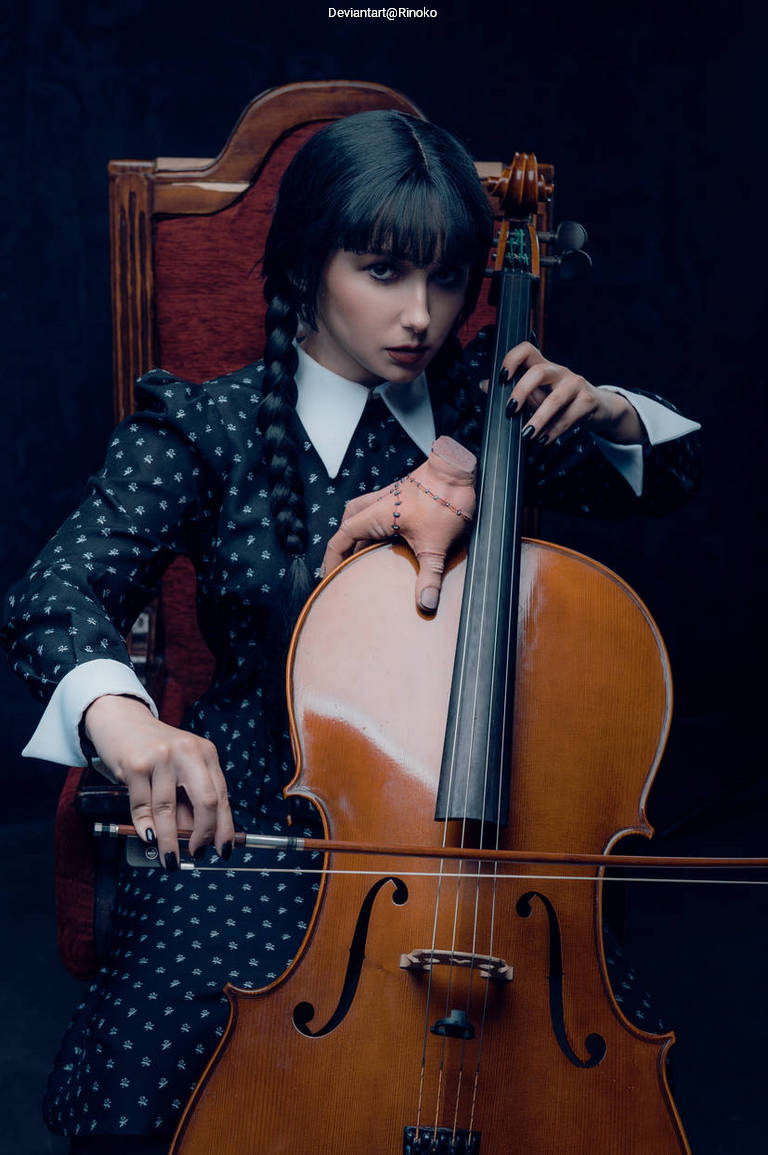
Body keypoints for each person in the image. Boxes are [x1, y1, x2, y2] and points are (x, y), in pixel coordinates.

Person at [1, 109, 699, 1152]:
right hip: (260, 804)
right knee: (172, 1058)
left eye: (450, 279)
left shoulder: (497, 410)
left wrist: (611, 414)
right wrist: (126, 721)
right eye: (381, 271)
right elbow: (52, 595)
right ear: (305, 266)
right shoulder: (209, 425)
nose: (421, 315)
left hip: (486, 821)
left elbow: (667, 482)